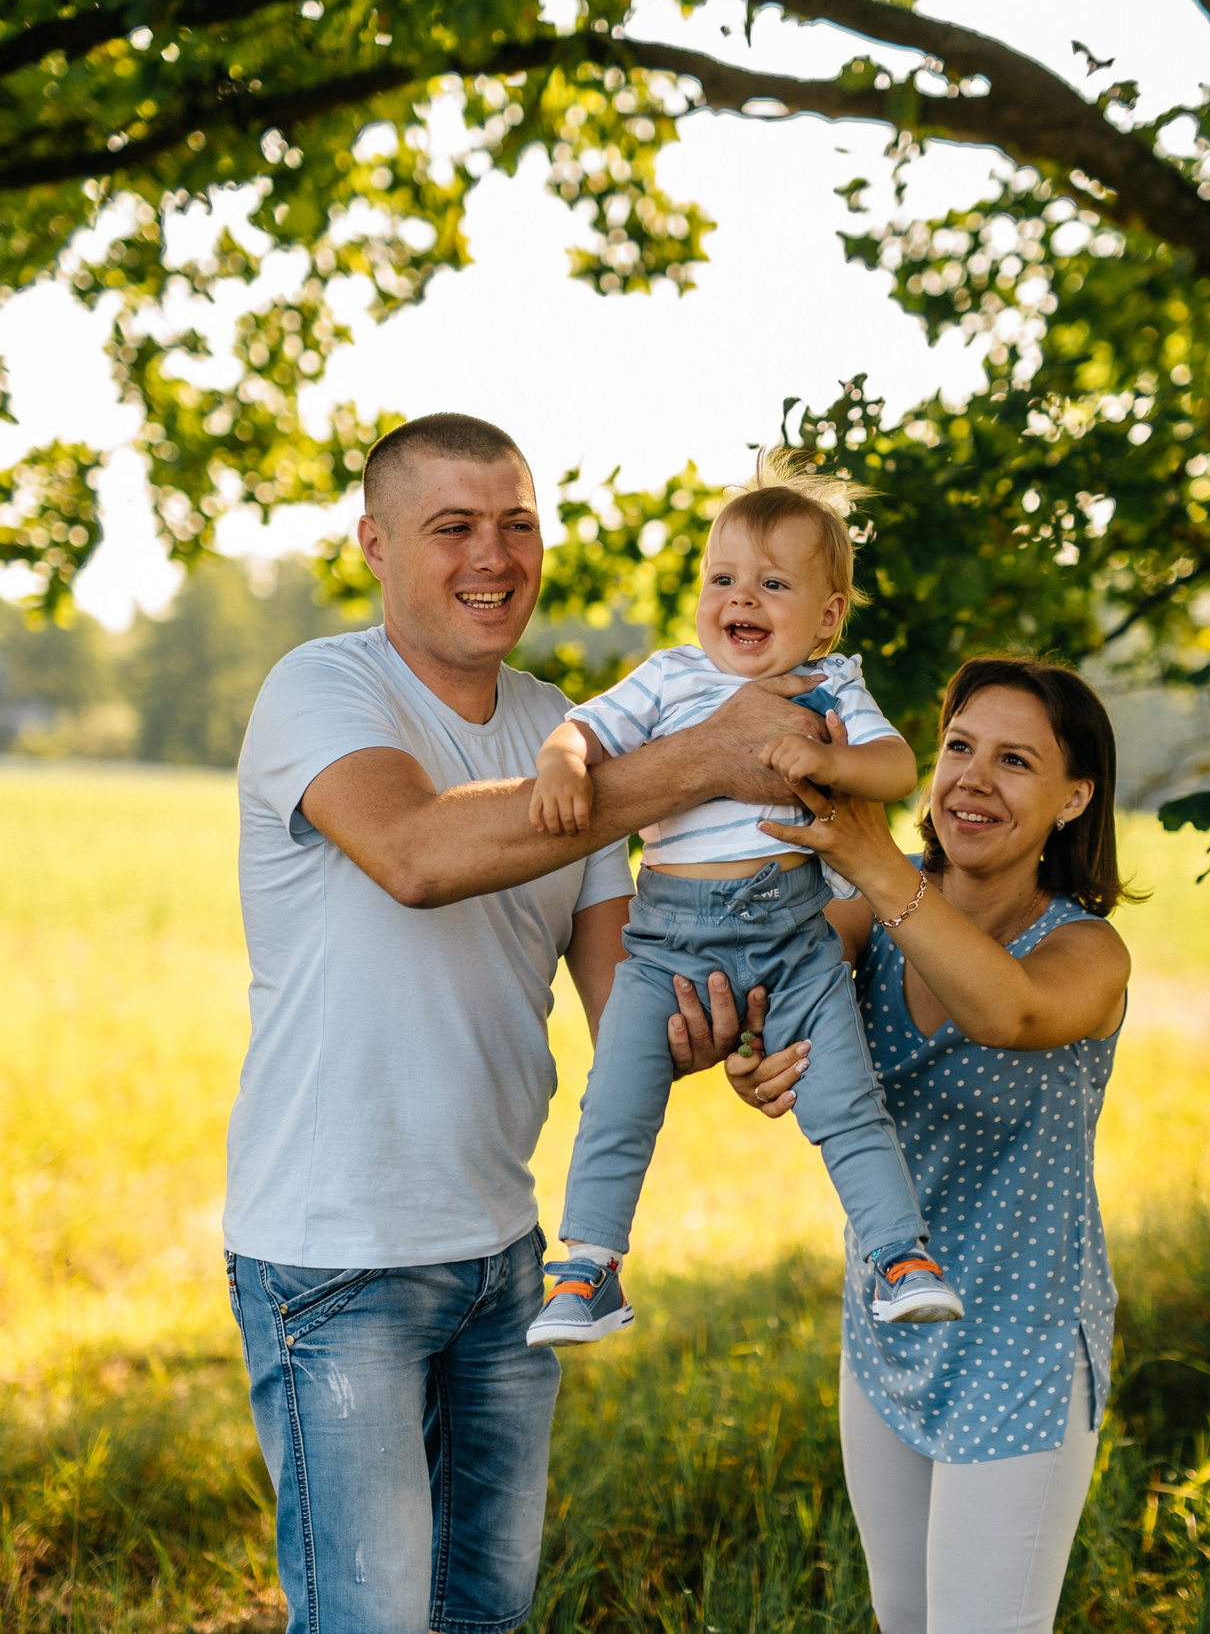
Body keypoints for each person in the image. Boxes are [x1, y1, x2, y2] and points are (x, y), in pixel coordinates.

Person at [224, 413, 822, 1634]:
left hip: (503, 1254)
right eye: (452, 526)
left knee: (483, 1616)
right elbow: (413, 852)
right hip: (335, 1254)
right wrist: (702, 756)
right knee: (367, 1621)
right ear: (376, 544)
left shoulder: (561, 720)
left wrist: (741, 1019)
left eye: (516, 523)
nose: (492, 555)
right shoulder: (322, 687)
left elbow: (626, 999)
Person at [730, 656, 1136, 1634]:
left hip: (1023, 1341)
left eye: (1015, 760)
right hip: (888, 1322)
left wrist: (876, 862)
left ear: (1074, 797)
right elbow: (768, 983)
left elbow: (1007, 1011)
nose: (971, 779)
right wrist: (752, 1046)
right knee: (904, 1613)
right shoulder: (866, 916)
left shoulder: (1086, 950)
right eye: (958, 746)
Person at [522, 452, 962, 1349]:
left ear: (827, 615)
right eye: (722, 579)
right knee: (617, 1098)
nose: (741, 599)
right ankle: (588, 1267)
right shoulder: (670, 676)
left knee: (846, 1101)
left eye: (772, 583)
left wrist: (830, 760)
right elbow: (581, 728)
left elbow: (895, 766)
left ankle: (899, 1256)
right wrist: (562, 763)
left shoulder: (831, 687)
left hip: (795, 940)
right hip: (666, 946)